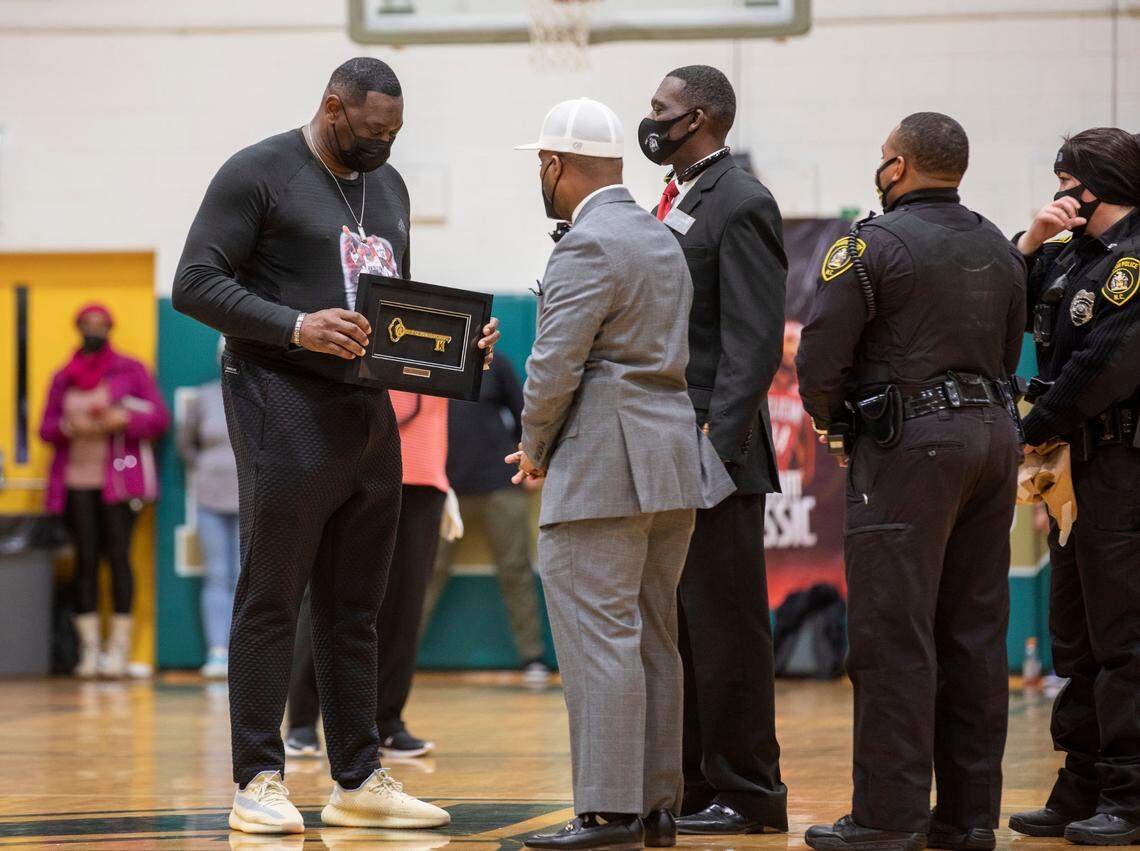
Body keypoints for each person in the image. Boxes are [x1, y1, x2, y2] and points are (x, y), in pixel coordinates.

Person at [173, 57, 499, 835]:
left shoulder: (388, 187)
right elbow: (193, 282)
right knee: (272, 595)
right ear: (332, 108)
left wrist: (461, 344)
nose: (383, 147)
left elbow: (397, 306)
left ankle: (357, 775)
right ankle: (257, 777)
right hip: (277, 397)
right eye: (372, 131)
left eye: (396, 134)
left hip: (367, 410)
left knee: (359, 604)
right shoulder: (258, 172)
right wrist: (295, 324)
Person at [795, 112, 1027, 851]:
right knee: (973, 634)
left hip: (911, 450)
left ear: (896, 167)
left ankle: (887, 818)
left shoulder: (869, 245)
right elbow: (1010, 341)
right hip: (995, 442)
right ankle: (966, 819)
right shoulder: (998, 244)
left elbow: (818, 358)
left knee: (894, 635)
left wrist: (840, 426)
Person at [508, 97, 735, 851]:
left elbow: (554, 363)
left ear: (553, 165)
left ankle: (607, 811)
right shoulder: (660, 234)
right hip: (672, 461)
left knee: (599, 635)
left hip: (604, 461)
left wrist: (534, 443)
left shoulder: (585, 245)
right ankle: (657, 805)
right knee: (650, 638)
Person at [639, 64, 789, 835]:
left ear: (698, 116)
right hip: (665, 449)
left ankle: (751, 791)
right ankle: (697, 782)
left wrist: (713, 447)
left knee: (728, 627)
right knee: (685, 625)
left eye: (661, 109)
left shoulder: (742, 199)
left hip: (715, 455)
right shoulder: (675, 200)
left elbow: (754, 344)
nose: (651, 119)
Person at [1007, 128, 1140, 846]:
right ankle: (1081, 782)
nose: (1059, 192)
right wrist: (1028, 243)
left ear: (1099, 182)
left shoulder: (1133, 261)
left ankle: (1130, 792)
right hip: (1071, 471)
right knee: (1075, 634)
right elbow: (995, 297)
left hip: (1121, 465)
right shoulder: (1068, 259)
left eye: (1068, 179)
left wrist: (1032, 426)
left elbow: (1105, 365)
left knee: (1124, 637)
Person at [285, 390, 452, 760]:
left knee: (405, 606)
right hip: (354, 466)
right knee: (328, 597)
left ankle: (388, 723)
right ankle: (301, 722)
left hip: (423, 473)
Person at [39, 303, 169, 679]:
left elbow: (158, 418)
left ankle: (120, 650)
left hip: (119, 480)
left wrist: (123, 419)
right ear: (78, 327)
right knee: (85, 562)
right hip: (76, 481)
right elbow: (45, 428)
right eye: (87, 325)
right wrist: (68, 426)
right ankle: (89, 650)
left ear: (110, 328)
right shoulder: (63, 376)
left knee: (118, 557)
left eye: (100, 325)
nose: (93, 330)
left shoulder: (130, 370)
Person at [423, 355, 549, 683]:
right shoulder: (424, 361)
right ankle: (397, 659)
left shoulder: (496, 363)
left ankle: (532, 658)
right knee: (426, 572)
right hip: (441, 484)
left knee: (516, 569)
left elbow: (525, 412)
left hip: (499, 482)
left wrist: (534, 462)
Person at [176, 338, 240, 679]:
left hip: (251, 498)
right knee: (217, 575)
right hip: (210, 498)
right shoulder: (202, 397)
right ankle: (218, 652)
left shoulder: (257, 395)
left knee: (247, 576)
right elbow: (186, 443)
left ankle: (246, 652)